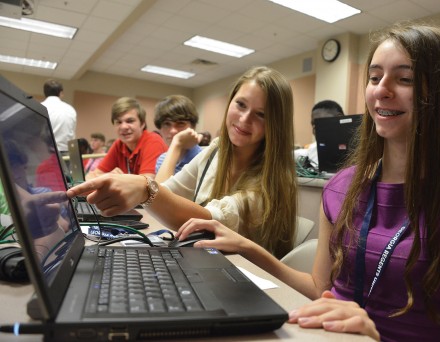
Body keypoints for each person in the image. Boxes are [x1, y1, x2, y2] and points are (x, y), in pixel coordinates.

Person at [173, 24, 440, 341]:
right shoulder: (343, 187)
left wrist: (372, 335)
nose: (381, 90)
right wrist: (248, 248)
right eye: (374, 77)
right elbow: (320, 285)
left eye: (404, 79)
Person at [67, 66, 298, 258]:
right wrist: (142, 188)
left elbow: (209, 221)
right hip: (208, 260)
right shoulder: (216, 150)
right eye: (240, 105)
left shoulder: (273, 182)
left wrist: (144, 187)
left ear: (275, 125)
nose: (244, 119)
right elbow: (166, 190)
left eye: (261, 114)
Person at [85, 97, 167, 180]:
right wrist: (109, 176)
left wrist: (117, 179)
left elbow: (147, 184)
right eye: (119, 122)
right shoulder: (119, 144)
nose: (123, 127)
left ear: (142, 124)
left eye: (130, 121)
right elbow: (91, 176)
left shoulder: (153, 142)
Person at [153, 95, 202, 180]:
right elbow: (158, 191)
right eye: (167, 124)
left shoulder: (203, 158)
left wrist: (177, 143)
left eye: (180, 123)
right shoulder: (162, 159)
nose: (173, 131)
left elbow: (162, 191)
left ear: (193, 127)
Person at [294, 100, 344, 166]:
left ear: (340, 118)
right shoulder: (312, 151)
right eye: (313, 124)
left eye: (320, 123)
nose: (314, 130)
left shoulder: (358, 150)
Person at [41, 79, 77, 155]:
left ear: (45, 93)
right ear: (61, 93)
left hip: (47, 153)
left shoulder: (40, 107)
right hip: (67, 153)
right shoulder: (70, 109)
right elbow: (72, 132)